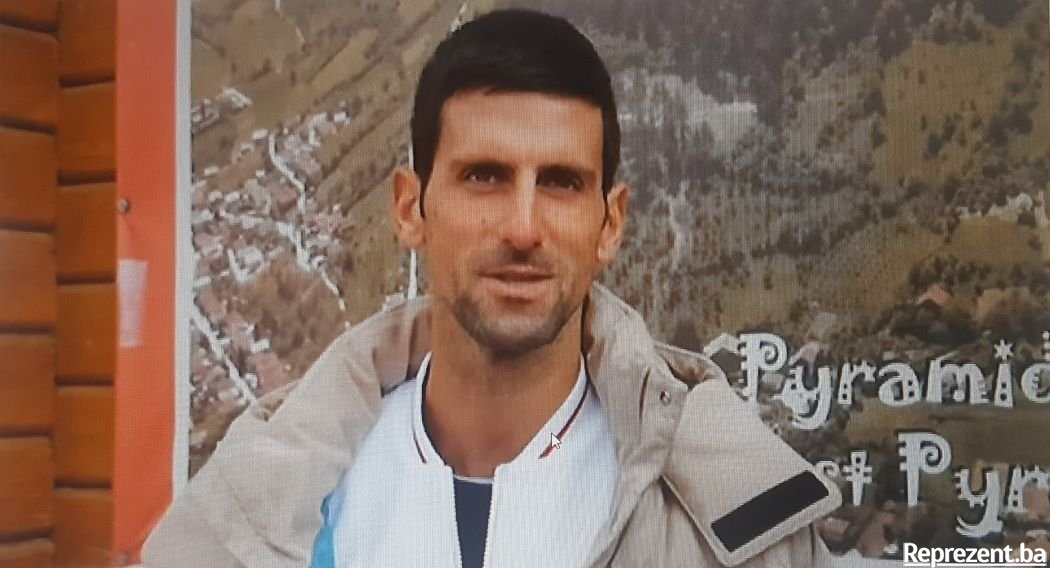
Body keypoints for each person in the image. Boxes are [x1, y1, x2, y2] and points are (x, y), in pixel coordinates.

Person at [143, 9, 841, 568]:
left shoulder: (739, 523)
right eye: (484, 176)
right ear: (410, 209)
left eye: (561, 182)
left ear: (610, 223)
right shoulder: (263, 512)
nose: (523, 228)